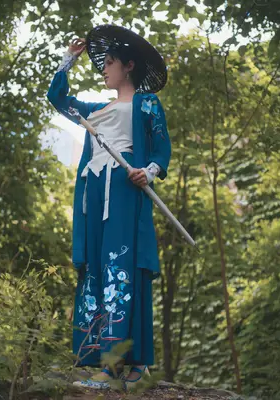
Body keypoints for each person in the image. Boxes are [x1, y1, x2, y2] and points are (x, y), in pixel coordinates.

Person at [47, 24, 171, 390]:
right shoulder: (94, 110)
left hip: (124, 191)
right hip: (92, 195)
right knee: (97, 269)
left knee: (121, 267)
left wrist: (148, 171)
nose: (104, 69)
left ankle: (118, 365)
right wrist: (68, 59)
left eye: (110, 62)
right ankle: (108, 360)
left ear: (128, 66)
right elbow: (57, 99)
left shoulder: (147, 103)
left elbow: (162, 149)